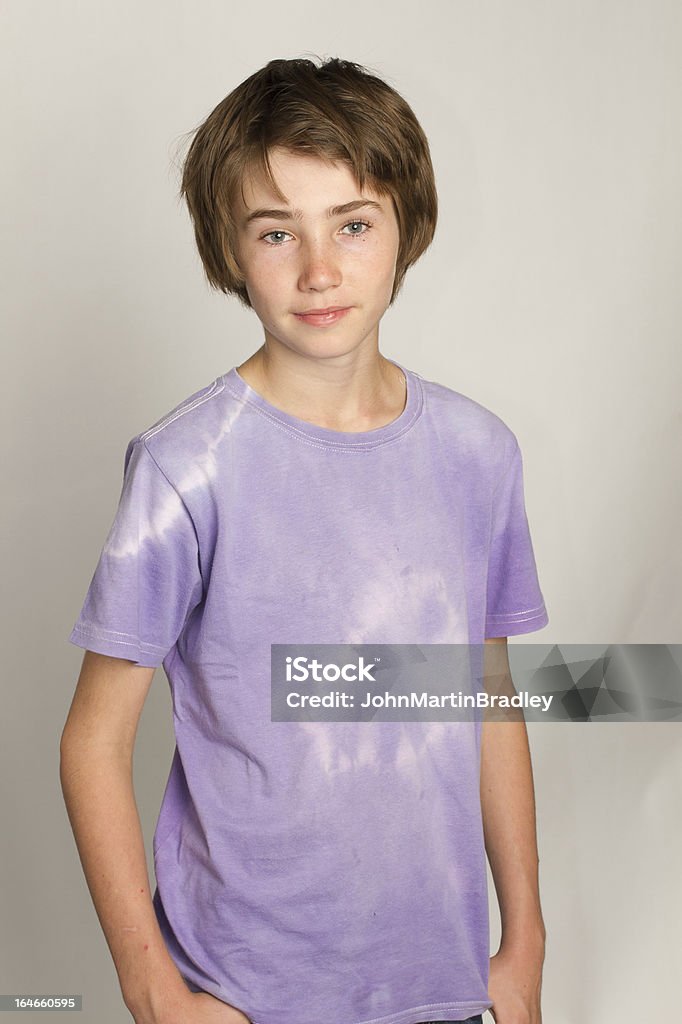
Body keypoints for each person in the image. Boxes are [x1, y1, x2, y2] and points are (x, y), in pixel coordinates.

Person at [60, 57, 548, 1024]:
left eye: (353, 225)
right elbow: (91, 742)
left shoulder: (476, 454)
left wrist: (523, 944)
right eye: (276, 232)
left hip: (438, 989)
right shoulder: (185, 468)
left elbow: (489, 702)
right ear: (229, 251)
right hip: (241, 993)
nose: (319, 271)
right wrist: (155, 992)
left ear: (405, 226)